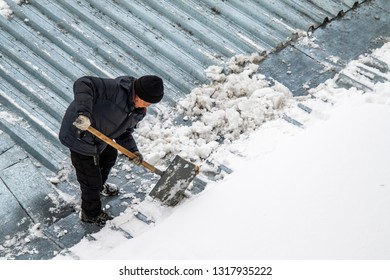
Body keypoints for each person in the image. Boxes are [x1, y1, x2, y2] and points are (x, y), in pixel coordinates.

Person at [59, 75, 164, 226]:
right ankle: (90, 214)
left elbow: (123, 131)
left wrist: (133, 151)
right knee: (90, 179)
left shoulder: (138, 111)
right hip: (78, 135)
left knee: (109, 157)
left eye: (150, 104)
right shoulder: (115, 90)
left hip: (100, 136)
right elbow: (83, 83)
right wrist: (84, 114)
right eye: (146, 101)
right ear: (137, 92)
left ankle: (99, 187)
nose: (146, 106)